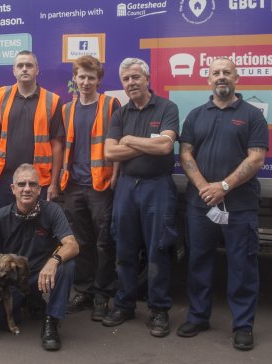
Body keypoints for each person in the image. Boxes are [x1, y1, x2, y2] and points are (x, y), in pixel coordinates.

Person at [177, 58, 269, 351]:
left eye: (226, 73)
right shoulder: (194, 115)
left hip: (240, 206)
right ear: (208, 80)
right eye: (215, 73)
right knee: (198, 262)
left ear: (237, 78)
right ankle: (198, 316)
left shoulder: (253, 115)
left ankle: (243, 326)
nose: (221, 77)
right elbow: (186, 154)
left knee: (242, 267)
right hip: (200, 204)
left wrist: (224, 186)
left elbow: (256, 158)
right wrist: (205, 188)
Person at [0, 163, 79, 351]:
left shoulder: (52, 211)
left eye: (32, 184)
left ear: (39, 189)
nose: (27, 189)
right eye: (21, 184)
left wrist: (53, 261)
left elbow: (72, 244)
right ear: (13, 189)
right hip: (12, 282)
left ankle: (51, 321)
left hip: (40, 274)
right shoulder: (1, 216)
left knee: (67, 264)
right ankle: (25, 302)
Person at [103, 58, 179, 337]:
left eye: (136, 77)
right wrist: (146, 142)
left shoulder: (167, 108)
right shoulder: (120, 114)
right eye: (126, 79)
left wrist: (129, 141)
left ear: (147, 78)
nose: (131, 83)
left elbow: (165, 146)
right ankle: (124, 305)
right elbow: (110, 153)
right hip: (126, 187)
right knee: (124, 249)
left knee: (158, 249)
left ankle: (159, 310)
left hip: (157, 187)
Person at [60, 55, 120, 321]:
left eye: (91, 78)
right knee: (80, 242)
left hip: (100, 186)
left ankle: (102, 295)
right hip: (74, 186)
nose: (85, 82)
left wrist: (115, 176)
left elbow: (116, 145)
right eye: (81, 77)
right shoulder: (67, 109)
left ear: (99, 80)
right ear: (75, 78)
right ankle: (84, 291)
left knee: (104, 242)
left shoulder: (110, 104)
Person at [0, 50, 64, 211]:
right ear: (14, 70)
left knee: (36, 230)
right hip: (5, 179)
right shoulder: (1, 97)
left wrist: (54, 183)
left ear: (37, 69)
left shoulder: (53, 101)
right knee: (3, 228)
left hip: (38, 180)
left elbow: (56, 145)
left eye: (29, 65)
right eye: (20, 65)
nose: (24, 69)